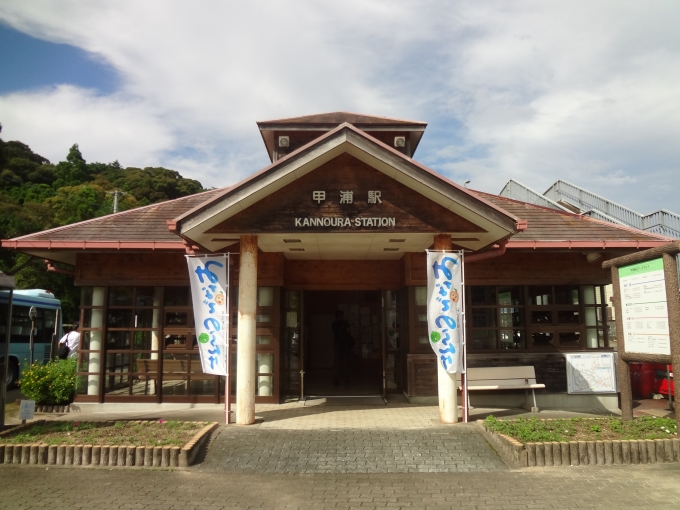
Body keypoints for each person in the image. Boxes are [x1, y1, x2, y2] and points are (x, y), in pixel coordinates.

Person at [332, 310, 353, 385]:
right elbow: (349, 331)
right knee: (345, 361)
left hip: (336, 343)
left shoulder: (334, 324)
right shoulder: (345, 323)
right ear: (341, 315)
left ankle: (335, 379)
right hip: (344, 343)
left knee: (337, 361)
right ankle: (346, 378)